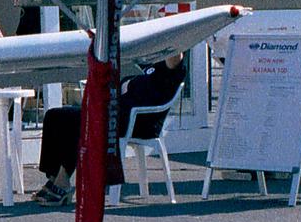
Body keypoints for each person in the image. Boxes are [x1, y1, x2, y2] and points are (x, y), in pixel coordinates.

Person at [32, 51, 186, 204]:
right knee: (54, 116)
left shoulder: (171, 70)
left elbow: (175, 57)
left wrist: (171, 38)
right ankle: (53, 177)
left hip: (138, 122)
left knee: (79, 121)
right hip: (115, 114)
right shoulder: (147, 63)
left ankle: (63, 182)